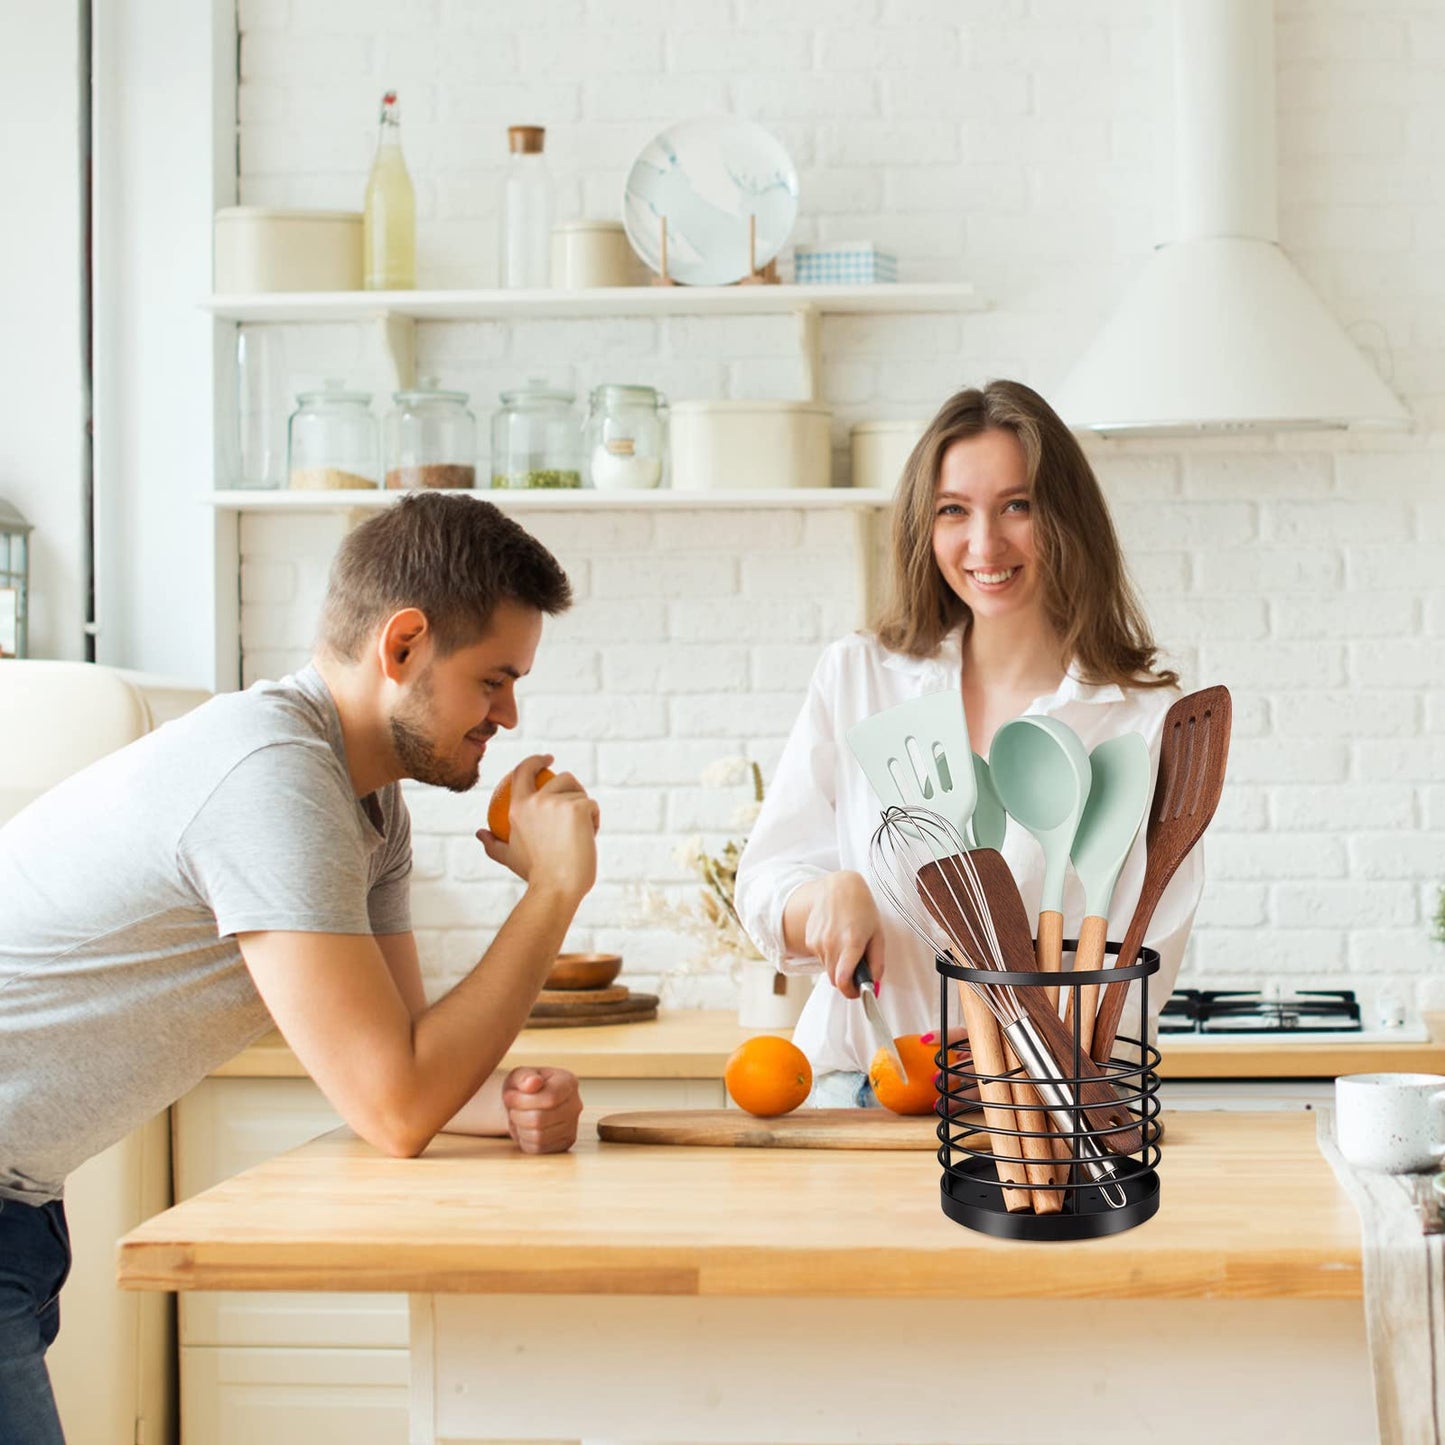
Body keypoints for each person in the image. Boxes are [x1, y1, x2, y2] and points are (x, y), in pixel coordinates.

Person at [0, 493, 599, 1443]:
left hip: (20, 1206)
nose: (511, 715)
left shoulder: (366, 806)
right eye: (494, 679)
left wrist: (502, 1103)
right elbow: (396, 1105)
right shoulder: (269, 773)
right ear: (402, 646)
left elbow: (398, 1059)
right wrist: (553, 891)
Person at [734, 380, 1205, 1107]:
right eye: (954, 511)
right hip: (857, 1090)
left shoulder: (1140, 721)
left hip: (1043, 1114)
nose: (984, 545)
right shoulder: (860, 676)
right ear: (925, 526)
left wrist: (1022, 1063)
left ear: (1066, 518)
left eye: (1017, 506)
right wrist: (822, 896)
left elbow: (1144, 964)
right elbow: (765, 879)